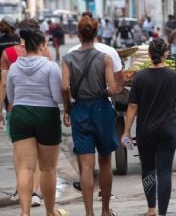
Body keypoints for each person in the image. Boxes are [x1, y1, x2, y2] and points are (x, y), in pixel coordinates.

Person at [6, 26, 67, 216]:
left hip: (21, 114)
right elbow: (57, 97)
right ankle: (50, 212)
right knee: (48, 168)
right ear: (41, 45)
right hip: (46, 115)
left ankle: (24, 213)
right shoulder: (50, 66)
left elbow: (11, 96)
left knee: (25, 167)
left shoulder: (15, 67)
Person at [61, 16, 119, 216]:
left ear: (78, 34)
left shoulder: (68, 59)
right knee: (105, 162)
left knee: (86, 167)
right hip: (102, 110)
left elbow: (63, 86)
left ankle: (89, 213)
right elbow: (112, 88)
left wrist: (68, 108)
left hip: (80, 110)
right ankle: (105, 210)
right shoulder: (105, 58)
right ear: (96, 34)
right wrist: (106, 90)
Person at [123, 38, 176, 216]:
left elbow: (132, 106)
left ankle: (151, 209)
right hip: (168, 129)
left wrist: (126, 131)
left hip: (146, 130)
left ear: (149, 54)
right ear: (166, 54)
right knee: (165, 170)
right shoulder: (174, 76)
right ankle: (163, 213)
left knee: (148, 168)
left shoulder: (140, 77)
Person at [0, 19, 52, 206]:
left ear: (19, 34)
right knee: (39, 153)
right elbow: (51, 80)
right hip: (43, 108)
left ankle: (21, 193)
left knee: (19, 154)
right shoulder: (44, 52)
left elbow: (5, 85)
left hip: (17, 109)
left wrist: (2, 107)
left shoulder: (8, 54)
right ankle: (36, 192)